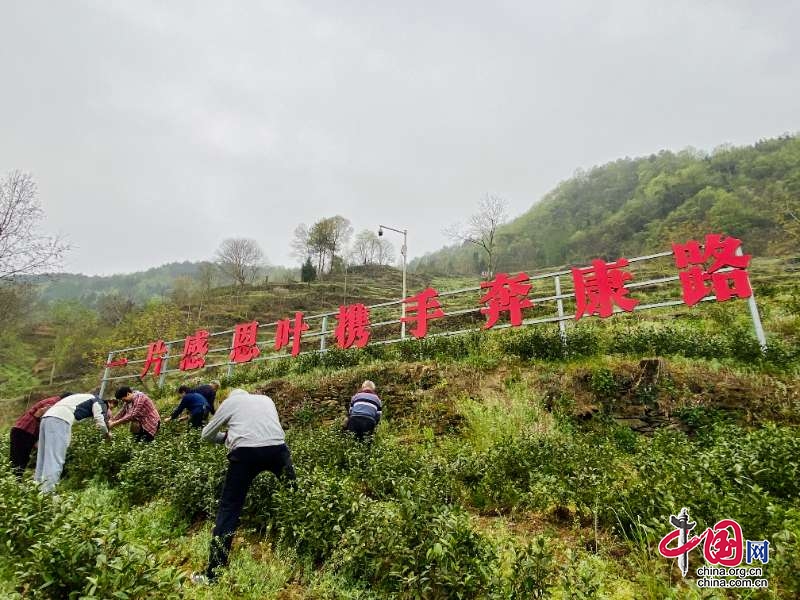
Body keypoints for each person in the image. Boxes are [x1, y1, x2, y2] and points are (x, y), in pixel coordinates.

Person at [192, 388, 296, 584]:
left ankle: (214, 574)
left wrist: (225, 437)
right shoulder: (266, 399)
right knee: (294, 494)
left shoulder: (230, 403)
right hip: (278, 449)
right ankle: (304, 547)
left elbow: (206, 434)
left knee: (229, 509)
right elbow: (262, 426)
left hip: (245, 454)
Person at [35, 393, 111, 493]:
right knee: (55, 459)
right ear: (109, 404)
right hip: (60, 419)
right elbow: (100, 420)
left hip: (47, 418)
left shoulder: (84, 398)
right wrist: (107, 435)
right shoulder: (99, 402)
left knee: (43, 458)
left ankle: (36, 489)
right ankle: (48, 494)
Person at [9, 392, 73, 478]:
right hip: (24, 431)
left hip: (25, 431)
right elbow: (39, 413)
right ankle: (13, 482)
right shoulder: (53, 403)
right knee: (18, 458)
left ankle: (15, 481)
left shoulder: (53, 401)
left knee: (22, 458)